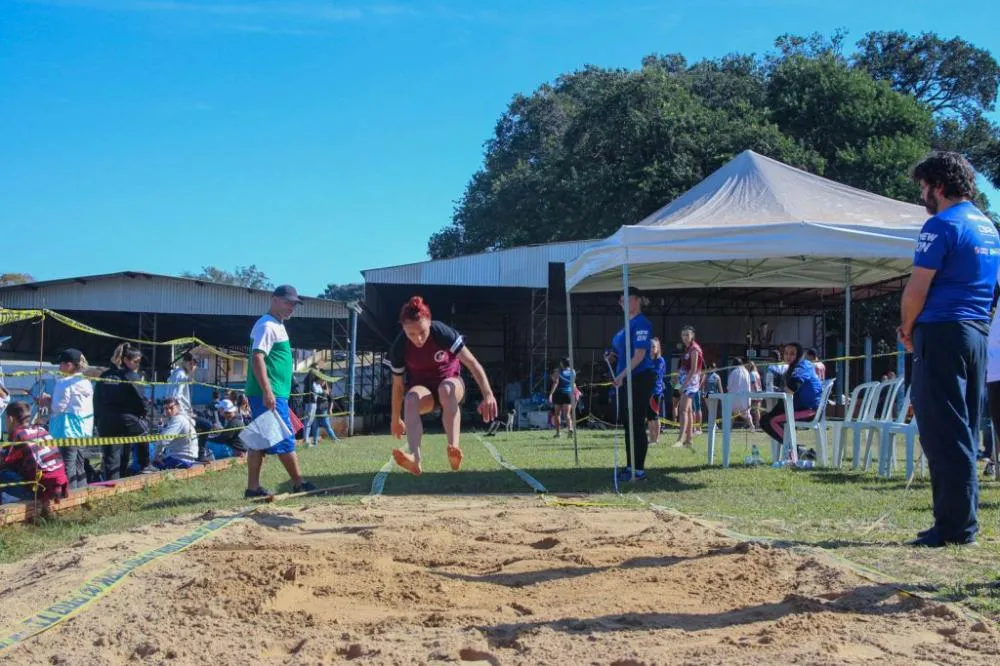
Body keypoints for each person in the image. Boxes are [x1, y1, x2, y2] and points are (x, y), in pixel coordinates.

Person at [899, 151, 999, 547]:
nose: (923, 196)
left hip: (941, 330)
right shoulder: (989, 227)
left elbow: (916, 289)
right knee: (965, 426)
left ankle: (955, 526)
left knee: (942, 429)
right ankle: (958, 520)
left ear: (938, 186)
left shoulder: (940, 226)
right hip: (977, 332)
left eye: (924, 188)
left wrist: (907, 329)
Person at [386, 296, 498, 475]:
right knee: (410, 398)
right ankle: (415, 458)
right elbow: (398, 386)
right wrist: (395, 418)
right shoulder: (399, 347)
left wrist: (488, 394)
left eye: (422, 331)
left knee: (445, 389)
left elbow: (472, 363)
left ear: (429, 322)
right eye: (411, 334)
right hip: (425, 391)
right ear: (404, 330)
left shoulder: (442, 332)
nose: (419, 339)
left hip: (451, 383)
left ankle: (453, 448)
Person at [244, 285, 316, 498]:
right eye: (287, 303)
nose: (291, 308)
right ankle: (298, 482)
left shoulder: (277, 325)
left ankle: (253, 488)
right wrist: (267, 391)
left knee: (257, 442)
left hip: (271, 392)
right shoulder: (267, 325)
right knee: (284, 440)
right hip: (269, 394)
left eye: (294, 304)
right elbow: (257, 357)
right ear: (273, 299)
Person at [610, 286, 655, 481]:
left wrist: (621, 375)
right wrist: (613, 356)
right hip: (627, 378)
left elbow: (639, 355)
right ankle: (630, 466)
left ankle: (639, 470)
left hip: (639, 378)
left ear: (637, 300)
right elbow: (623, 351)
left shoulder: (641, 323)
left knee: (636, 423)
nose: (622, 304)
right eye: (620, 301)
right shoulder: (626, 326)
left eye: (625, 300)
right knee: (628, 424)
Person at [95, 343, 152, 478]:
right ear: (126, 360)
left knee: (110, 457)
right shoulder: (131, 375)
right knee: (144, 432)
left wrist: (97, 421)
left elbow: (96, 399)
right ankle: (145, 464)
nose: (138, 365)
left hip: (105, 421)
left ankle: (110, 486)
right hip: (126, 419)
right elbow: (142, 399)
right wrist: (144, 413)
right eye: (136, 361)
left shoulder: (105, 375)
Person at [759, 343, 823, 459]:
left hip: (810, 411)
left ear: (799, 355)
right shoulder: (793, 368)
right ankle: (798, 450)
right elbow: (787, 390)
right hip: (798, 407)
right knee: (766, 420)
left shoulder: (803, 366)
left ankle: (796, 450)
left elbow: (792, 387)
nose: (788, 356)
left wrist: (780, 384)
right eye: (786, 353)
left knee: (770, 421)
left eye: (792, 354)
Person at [42, 349, 94, 490]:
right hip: (83, 429)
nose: (59, 367)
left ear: (70, 365)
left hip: (65, 430)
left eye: (61, 364)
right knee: (79, 464)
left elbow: (58, 407)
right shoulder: (86, 382)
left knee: (66, 466)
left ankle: (68, 499)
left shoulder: (63, 383)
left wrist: (46, 401)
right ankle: (82, 495)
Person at [2, 401, 69, 507]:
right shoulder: (41, 430)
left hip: (41, 490)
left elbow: (4, 462)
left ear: (11, 419)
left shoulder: (18, 434)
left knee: (3, 474)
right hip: (60, 486)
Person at [166, 352, 214, 463]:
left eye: (195, 364)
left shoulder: (177, 373)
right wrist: (186, 415)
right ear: (188, 363)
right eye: (192, 364)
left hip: (180, 412)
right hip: (181, 415)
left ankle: (195, 453)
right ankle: (200, 455)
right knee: (207, 425)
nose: (193, 367)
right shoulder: (181, 375)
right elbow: (175, 397)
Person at [675, 325, 703, 449]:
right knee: (689, 411)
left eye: (687, 335)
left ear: (692, 335)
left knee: (683, 410)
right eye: (683, 335)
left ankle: (681, 439)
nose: (685, 337)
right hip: (685, 381)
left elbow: (693, 370)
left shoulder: (694, 349)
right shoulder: (687, 349)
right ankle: (689, 439)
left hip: (690, 384)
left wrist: (684, 385)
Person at [152, 397, 198, 469]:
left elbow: (162, 441)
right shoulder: (183, 418)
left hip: (180, 460)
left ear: (178, 407)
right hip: (186, 458)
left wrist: (156, 456)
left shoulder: (178, 420)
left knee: (149, 466)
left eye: (171, 408)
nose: (169, 411)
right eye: (166, 409)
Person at [548, 358, 575, 438]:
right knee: (567, 414)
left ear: (562, 364)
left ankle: (558, 433)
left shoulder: (559, 372)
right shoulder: (573, 371)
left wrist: (551, 394)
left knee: (557, 414)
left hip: (559, 393)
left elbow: (555, 382)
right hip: (568, 393)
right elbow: (573, 383)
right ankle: (570, 428)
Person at [647, 338, 667, 446]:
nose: (651, 349)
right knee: (649, 417)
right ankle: (651, 438)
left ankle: (656, 439)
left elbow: (655, 374)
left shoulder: (660, 360)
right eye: (650, 346)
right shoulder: (647, 360)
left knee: (655, 416)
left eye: (654, 346)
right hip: (647, 392)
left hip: (656, 392)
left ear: (657, 348)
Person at [726, 358, 753, 428]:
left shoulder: (733, 372)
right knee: (746, 413)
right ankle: (752, 426)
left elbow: (729, 385)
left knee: (733, 413)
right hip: (745, 397)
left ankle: (729, 427)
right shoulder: (746, 372)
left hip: (735, 396)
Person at [747, 361, 763, 430]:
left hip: (754, 394)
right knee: (756, 410)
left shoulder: (751, 374)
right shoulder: (757, 373)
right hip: (758, 393)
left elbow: (754, 383)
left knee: (751, 410)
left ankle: (755, 424)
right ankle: (757, 424)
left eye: (748, 366)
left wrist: (756, 392)